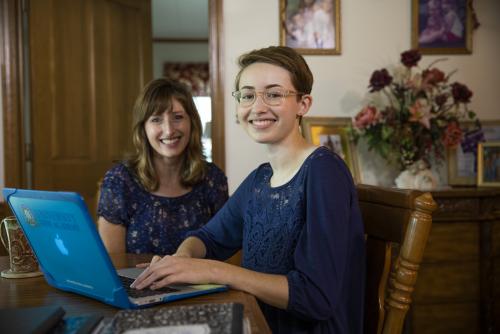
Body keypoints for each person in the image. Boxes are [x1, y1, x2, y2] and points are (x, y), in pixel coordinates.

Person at [131, 46, 365, 333]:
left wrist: (214, 270)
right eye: (248, 95)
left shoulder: (323, 171)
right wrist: (183, 259)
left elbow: (316, 297)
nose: (258, 106)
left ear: (303, 104)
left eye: (274, 94)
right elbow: (208, 238)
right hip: (255, 322)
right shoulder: (260, 179)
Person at [97, 78, 228, 255]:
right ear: (143, 128)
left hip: (200, 282)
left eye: (178, 117)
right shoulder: (120, 180)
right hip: (136, 283)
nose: (168, 130)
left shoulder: (213, 178)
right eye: (156, 119)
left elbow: (224, 252)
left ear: (192, 122)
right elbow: (113, 264)